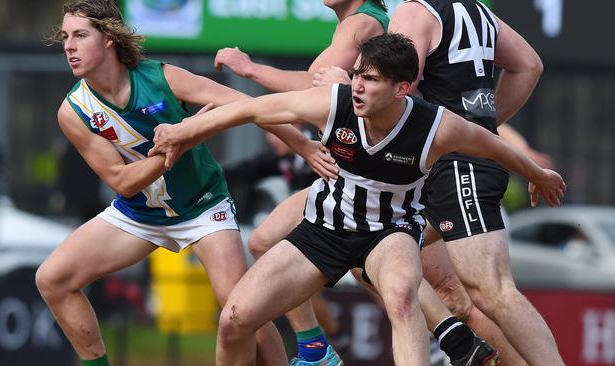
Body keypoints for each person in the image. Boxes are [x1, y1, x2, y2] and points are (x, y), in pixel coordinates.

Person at [149, 33, 566, 366]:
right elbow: (253, 111)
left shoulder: (436, 127)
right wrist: (183, 131)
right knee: (234, 320)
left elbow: (493, 146)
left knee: (403, 299)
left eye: (370, 80)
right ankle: (316, 349)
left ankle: (450, 342)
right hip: (323, 231)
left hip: (389, 232)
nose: (358, 87)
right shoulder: (334, 103)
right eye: (357, 75)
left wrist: (537, 174)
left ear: (402, 87)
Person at [35, 1, 330, 365]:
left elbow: (247, 105)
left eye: (80, 35)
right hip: (139, 214)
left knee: (242, 311)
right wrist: (184, 138)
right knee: (52, 280)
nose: (69, 46)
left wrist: (303, 145)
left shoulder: (161, 77)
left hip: (204, 206)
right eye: (65, 37)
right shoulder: (74, 110)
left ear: (109, 38)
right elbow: (122, 181)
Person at [386, 1, 565, 364]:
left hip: (459, 168)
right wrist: (484, 129)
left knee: (491, 290)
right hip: (446, 166)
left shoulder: (414, 12)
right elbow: (529, 65)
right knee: (374, 251)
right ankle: (458, 342)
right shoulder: (477, 11)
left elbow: (396, 86)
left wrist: (341, 88)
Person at [214, 1, 388, 364]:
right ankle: (314, 348)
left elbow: (313, 87)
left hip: (380, 177)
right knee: (265, 240)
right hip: (360, 174)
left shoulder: (362, 22)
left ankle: (452, 340)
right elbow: (316, 87)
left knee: (438, 295)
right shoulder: (360, 22)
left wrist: (248, 70)